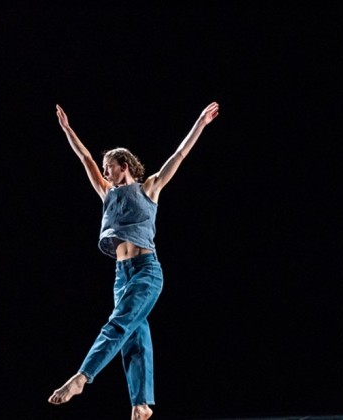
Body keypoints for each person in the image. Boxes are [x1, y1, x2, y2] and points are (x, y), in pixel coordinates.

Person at [48, 101, 220, 420]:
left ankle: (82, 377)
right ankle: (141, 404)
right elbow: (84, 158)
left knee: (119, 324)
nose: (104, 172)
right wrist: (68, 130)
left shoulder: (149, 188)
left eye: (109, 166)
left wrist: (199, 123)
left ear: (123, 164)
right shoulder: (106, 193)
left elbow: (179, 156)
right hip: (121, 275)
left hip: (146, 272)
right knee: (134, 334)